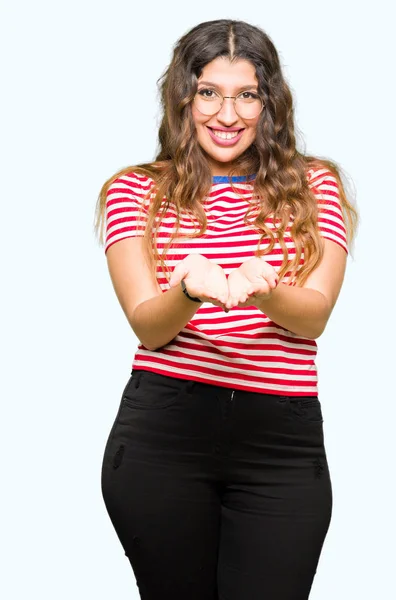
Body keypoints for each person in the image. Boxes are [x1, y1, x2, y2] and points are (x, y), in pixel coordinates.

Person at [94, 18, 358, 600]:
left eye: (247, 95)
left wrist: (264, 289)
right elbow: (146, 324)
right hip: (163, 438)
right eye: (209, 92)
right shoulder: (135, 191)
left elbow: (314, 315)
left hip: (280, 443)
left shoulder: (316, 187)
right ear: (184, 99)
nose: (227, 114)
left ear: (269, 104)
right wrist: (188, 292)